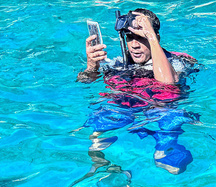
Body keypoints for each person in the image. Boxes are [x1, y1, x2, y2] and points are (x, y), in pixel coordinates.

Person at [77, 8, 198, 174]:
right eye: (129, 37)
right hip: (124, 108)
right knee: (97, 133)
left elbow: (168, 83)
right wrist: (91, 66)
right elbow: (84, 81)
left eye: (140, 38)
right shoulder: (118, 64)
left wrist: (151, 38)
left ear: (155, 38)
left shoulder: (178, 61)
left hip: (161, 109)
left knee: (171, 161)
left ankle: (165, 151)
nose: (134, 45)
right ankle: (110, 171)